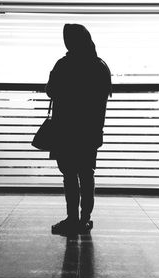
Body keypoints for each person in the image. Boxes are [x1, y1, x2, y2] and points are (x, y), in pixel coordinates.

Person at [46, 24, 112, 235]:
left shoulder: (64, 64)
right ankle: (85, 218)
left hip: (65, 130)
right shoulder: (100, 66)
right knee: (86, 173)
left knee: (69, 175)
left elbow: (51, 91)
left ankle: (72, 218)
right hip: (89, 131)